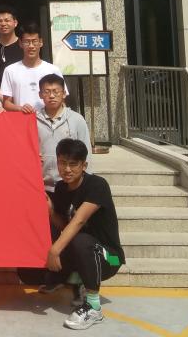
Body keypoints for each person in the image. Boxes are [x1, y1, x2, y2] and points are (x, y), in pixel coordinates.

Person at [46, 138, 124, 330]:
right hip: (84, 252)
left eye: (73, 164)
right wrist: (50, 210)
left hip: (111, 257)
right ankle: (74, 280)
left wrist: (54, 250)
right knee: (31, 272)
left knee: (80, 240)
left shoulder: (97, 185)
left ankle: (94, 307)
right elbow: (64, 224)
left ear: (84, 166)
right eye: (63, 163)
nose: (67, 169)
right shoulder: (61, 188)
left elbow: (79, 221)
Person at [37, 74, 91, 193]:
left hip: (70, 186)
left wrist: (86, 184)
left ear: (64, 93)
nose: (51, 96)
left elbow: (86, 152)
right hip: (42, 186)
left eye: (56, 91)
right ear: (40, 94)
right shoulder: (33, 121)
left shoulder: (77, 119)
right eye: (47, 92)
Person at [1, 24, 66, 114]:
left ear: (41, 42)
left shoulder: (53, 70)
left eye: (34, 41)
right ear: (20, 43)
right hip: (23, 119)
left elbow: (62, 100)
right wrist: (20, 108)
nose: (31, 46)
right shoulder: (10, 70)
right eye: (27, 42)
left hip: (48, 120)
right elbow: (6, 103)